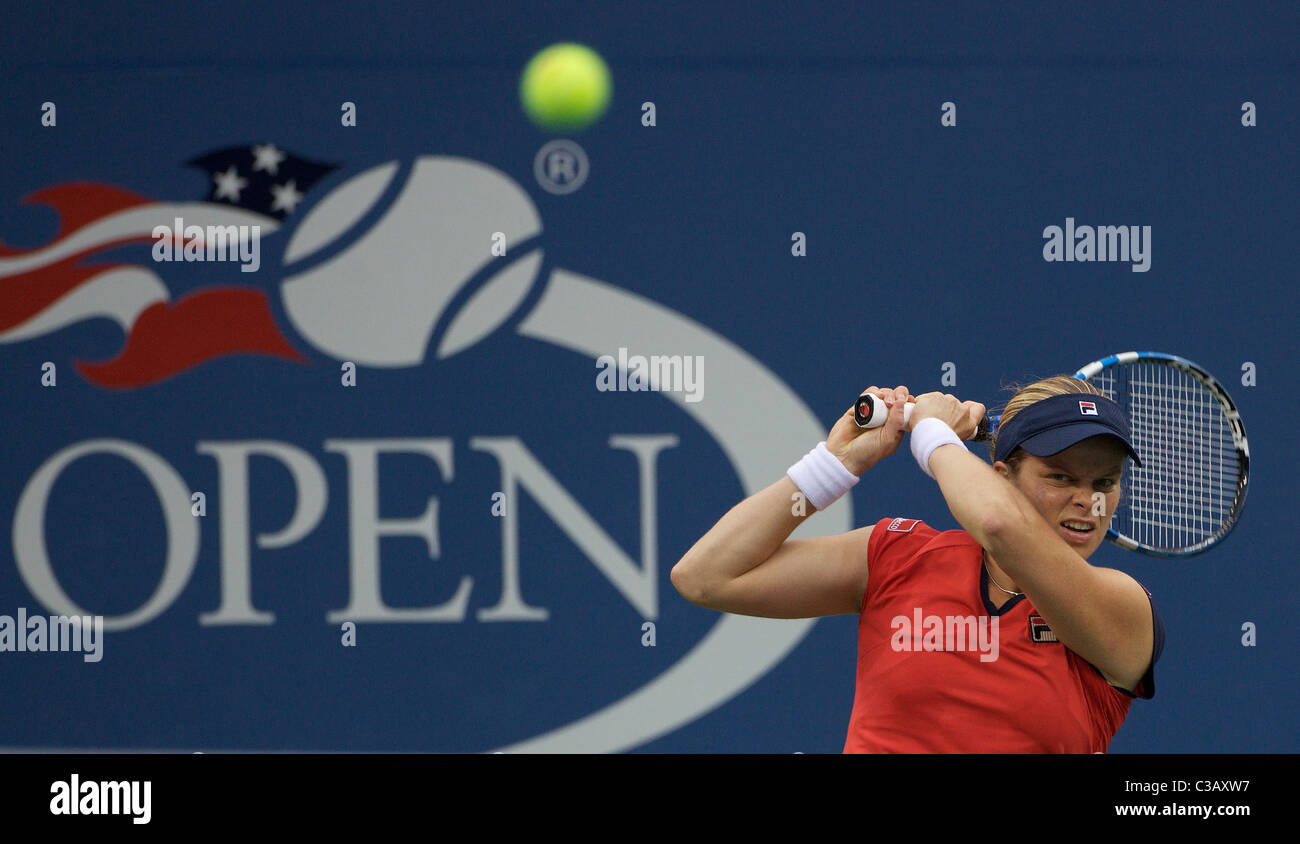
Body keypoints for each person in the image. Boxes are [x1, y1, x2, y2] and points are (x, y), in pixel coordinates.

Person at [670, 376, 1164, 753]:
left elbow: (996, 521)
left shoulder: (1122, 608)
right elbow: (707, 576)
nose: (1087, 501)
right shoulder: (898, 555)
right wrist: (836, 464)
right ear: (1001, 475)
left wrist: (930, 433)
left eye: (1104, 483)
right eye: (1060, 476)